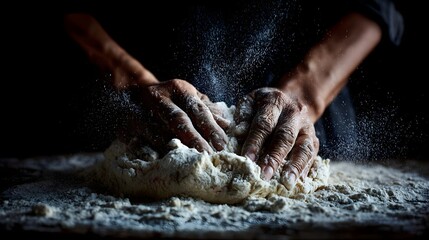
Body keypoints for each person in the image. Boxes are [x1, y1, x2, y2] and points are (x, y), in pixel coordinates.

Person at [64, 0, 403, 189]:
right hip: (149, 111)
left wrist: (306, 93)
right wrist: (133, 79)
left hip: (311, 109)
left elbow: (381, 5)